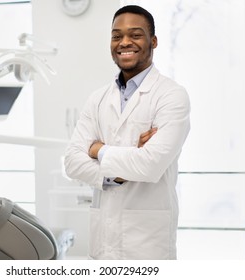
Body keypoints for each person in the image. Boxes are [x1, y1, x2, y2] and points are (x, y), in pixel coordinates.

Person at [64, 5, 190, 260]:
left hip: (147, 244)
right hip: (103, 242)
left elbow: (151, 166)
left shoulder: (171, 96)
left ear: (153, 41)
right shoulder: (98, 99)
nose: (124, 42)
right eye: (116, 36)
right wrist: (123, 170)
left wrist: (98, 150)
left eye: (135, 34)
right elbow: (72, 163)